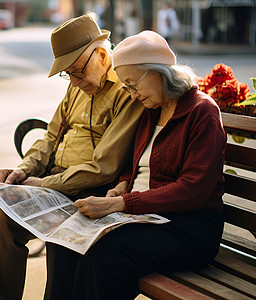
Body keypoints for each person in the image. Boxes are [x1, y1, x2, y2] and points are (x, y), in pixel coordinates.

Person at [0, 14, 145, 300]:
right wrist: (23, 170)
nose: (73, 80)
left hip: (86, 188)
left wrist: (43, 185)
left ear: (99, 55)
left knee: (3, 222)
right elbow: (50, 136)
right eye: (67, 73)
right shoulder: (77, 87)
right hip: (51, 177)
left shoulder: (126, 90)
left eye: (77, 71)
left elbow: (103, 169)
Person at [43, 30, 226, 300]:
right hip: (143, 217)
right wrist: (123, 184)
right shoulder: (152, 110)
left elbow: (193, 189)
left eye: (132, 84)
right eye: (126, 87)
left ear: (159, 72)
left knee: (106, 251)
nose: (130, 94)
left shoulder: (202, 112)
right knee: (65, 239)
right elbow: (136, 163)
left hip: (187, 227)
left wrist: (123, 204)